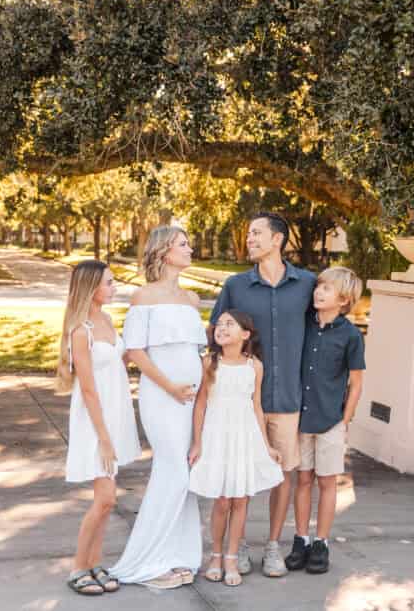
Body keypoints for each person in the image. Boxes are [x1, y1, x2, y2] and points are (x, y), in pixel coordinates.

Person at [210, 212, 316, 577]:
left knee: (282, 475)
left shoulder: (307, 284)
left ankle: (273, 546)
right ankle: (233, 551)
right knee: (238, 477)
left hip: (288, 399)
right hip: (241, 404)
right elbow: (217, 333)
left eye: (257, 233)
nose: (250, 238)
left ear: (277, 239)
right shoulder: (236, 286)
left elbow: (325, 330)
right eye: (249, 233)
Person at [109, 226, 207, 589]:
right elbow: (135, 351)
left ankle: (178, 556)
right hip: (161, 396)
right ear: (165, 251)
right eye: (183, 244)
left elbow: (195, 352)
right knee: (173, 473)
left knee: (186, 473)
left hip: (192, 398)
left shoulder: (193, 299)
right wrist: (169, 386)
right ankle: (144, 562)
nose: (190, 248)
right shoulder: (143, 297)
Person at [60, 260, 142, 596]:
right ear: (91, 287)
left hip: (116, 414)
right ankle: (78, 566)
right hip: (95, 422)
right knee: (105, 498)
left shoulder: (107, 320)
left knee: (106, 501)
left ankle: (95, 562)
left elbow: (118, 366)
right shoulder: (81, 331)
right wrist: (104, 439)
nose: (114, 287)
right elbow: (90, 390)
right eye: (109, 283)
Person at [188, 310, 284, 587]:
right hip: (217, 435)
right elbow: (201, 405)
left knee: (240, 500)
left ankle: (232, 556)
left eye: (230, 324)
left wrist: (266, 446)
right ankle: (216, 555)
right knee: (221, 500)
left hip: (245, 436)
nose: (222, 328)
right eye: (219, 324)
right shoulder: (209, 363)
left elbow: (257, 407)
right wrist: (197, 442)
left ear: (245, 334)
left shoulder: (254, 366)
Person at [285, 267, 366, 575]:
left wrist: (345, 420)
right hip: (300, 418)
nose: (318, 292)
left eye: (327, 289)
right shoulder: (303, 325)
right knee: (302, 480)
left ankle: (321, 543)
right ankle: (301, 539)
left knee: (327, 482)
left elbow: (356, 383)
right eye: (319, 286)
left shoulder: (351, 336)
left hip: (331, 420)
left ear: (343, 300)